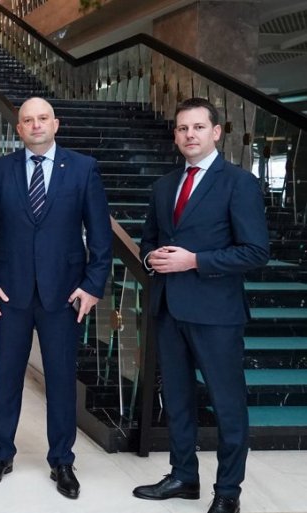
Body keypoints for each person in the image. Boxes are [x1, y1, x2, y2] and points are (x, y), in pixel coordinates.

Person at [133, 97, 269, 513]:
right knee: (177, 400)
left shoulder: (238, 183)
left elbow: (255, 251)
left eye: (197, 127)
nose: (189, 134)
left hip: (216, 314)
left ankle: (228, 492)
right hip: (169, 309)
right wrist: (150, 258)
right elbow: (148, 240)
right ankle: (183, 476)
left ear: (216, 132)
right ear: (175, 136)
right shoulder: (164, 186)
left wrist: (194, 260)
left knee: (227, 405)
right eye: (182, 128)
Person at [0, 97, 111, 498]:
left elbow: (100, 237)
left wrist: (93, 286)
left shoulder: (83, 168)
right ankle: (1, 454)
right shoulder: (0, 170)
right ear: (19, 129)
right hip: (10, 294)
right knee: (6, 378)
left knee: (62, 381)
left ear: (55, 124)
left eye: (42, 118)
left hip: (64, 296)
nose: (36, 125)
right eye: (28, 120)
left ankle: (62, 460)